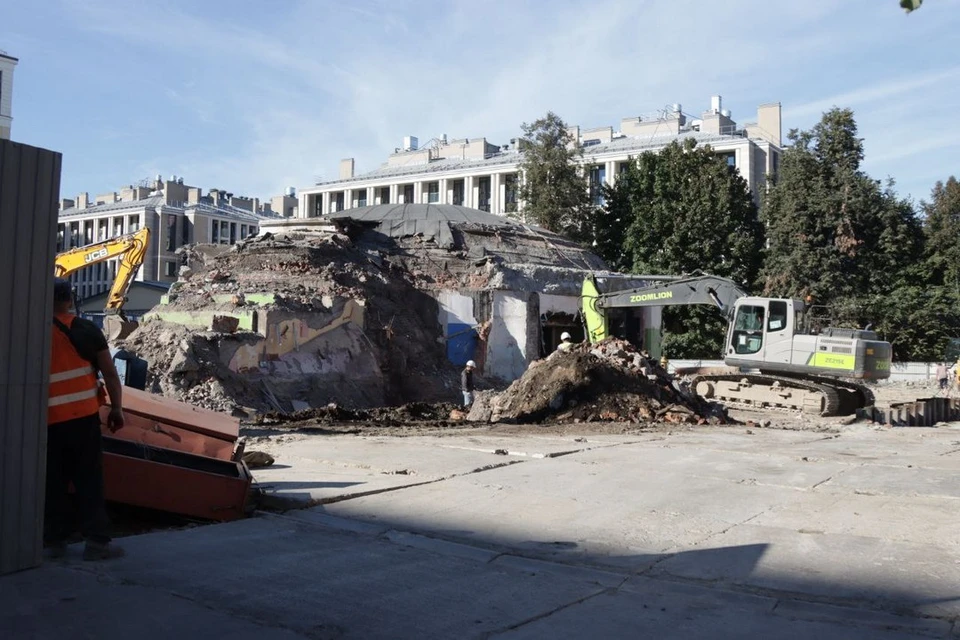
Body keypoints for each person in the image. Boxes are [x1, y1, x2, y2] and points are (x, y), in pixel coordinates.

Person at [46, 278, 126, 561]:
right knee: (88, 479)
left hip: (46, 422)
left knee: (51, 481)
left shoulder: (30, 328)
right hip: (82, 419)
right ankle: (96, 544)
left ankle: (52, 543)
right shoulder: (85, 329)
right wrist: (117, 409)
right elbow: (111, 375)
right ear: (69, 299)